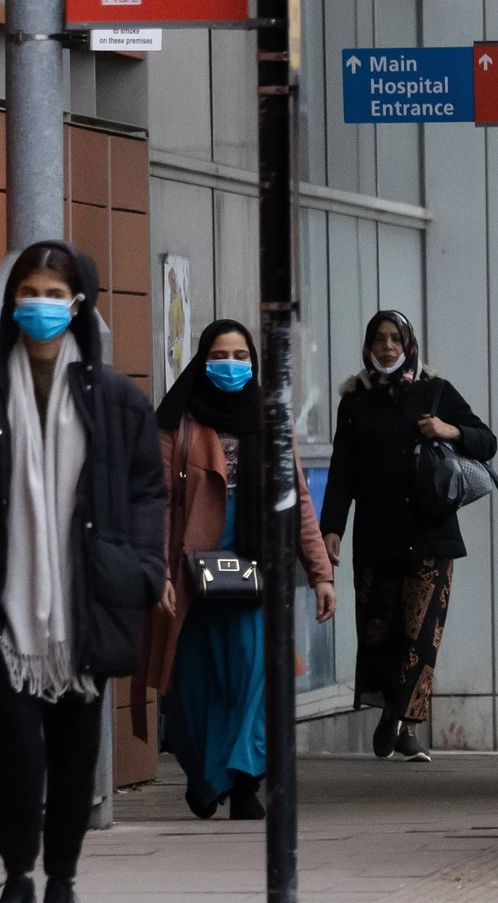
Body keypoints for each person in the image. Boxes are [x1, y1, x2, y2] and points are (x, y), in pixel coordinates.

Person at [0, 242, 167, 903]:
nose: (39, 304)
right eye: (28, 291)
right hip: (8, 602)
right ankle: (16, 873)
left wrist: (143, 563)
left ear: (78, 303)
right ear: (12, 303)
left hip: (86, 602)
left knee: (72, 757)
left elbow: (148, 488)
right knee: (16, 751)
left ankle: (62, 875)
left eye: (53, 293)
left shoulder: (119, 400)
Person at [145, 321, 336, 820]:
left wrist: (321, 574)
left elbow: (298, 504)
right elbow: (160, 503)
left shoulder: (271, 421)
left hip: (255, 571)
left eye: (239, 355)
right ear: (201, 360)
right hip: (191, 572)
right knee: (195, 685)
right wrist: (158, 572)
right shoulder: (176, 421)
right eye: (218, 354)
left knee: (255, 676)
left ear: (253, 361)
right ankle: (206, 777)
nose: (229, 364)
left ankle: (245, 779)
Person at [320, 310, 496, 762]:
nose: (388, 347)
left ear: (408, 343)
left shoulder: (434, 391)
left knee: (421, 634)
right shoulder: (355, 401)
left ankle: (398, 717)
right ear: (369, 345)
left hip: (430, 533)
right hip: (377, 535)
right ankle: (401, 723)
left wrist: (449, 429)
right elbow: (342, 471)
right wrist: (332, 528)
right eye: (379, 339)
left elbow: (486, 441)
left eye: (396, 339)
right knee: (381, 632)